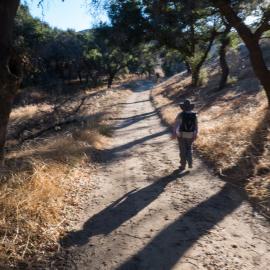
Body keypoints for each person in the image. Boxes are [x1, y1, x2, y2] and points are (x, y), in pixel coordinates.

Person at [172, 99, 198, 171]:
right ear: (190, 107)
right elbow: (196, 125)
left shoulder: (180, 114)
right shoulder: (194, 115)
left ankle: (183, 165)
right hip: (191, 135)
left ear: (183, 107)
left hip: (181, 135)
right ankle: (190, 162)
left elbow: (176, 124)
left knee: (182, 150)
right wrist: (196, 134)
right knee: (189, 148)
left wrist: (174, 133)